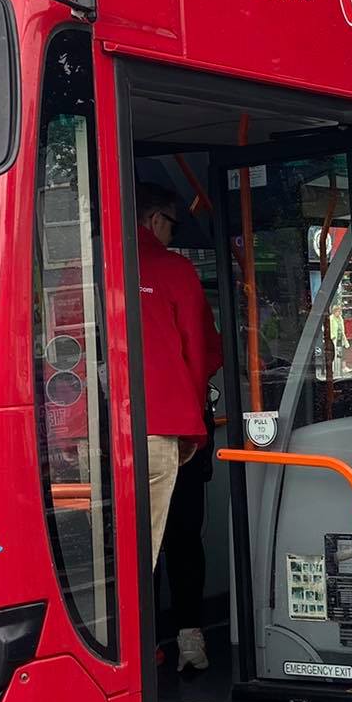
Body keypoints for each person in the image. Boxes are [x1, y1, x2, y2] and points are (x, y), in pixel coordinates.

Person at [134, 182, 222, 671]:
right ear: (154, 220)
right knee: (181, 535)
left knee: (124, 545)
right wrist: (195, 423)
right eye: (173, 224)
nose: (173, 234)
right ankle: (190, 641)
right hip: (171, 428)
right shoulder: (174, 269)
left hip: (102, 434)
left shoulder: (92, 267)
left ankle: (139, 645)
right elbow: (203, 350)